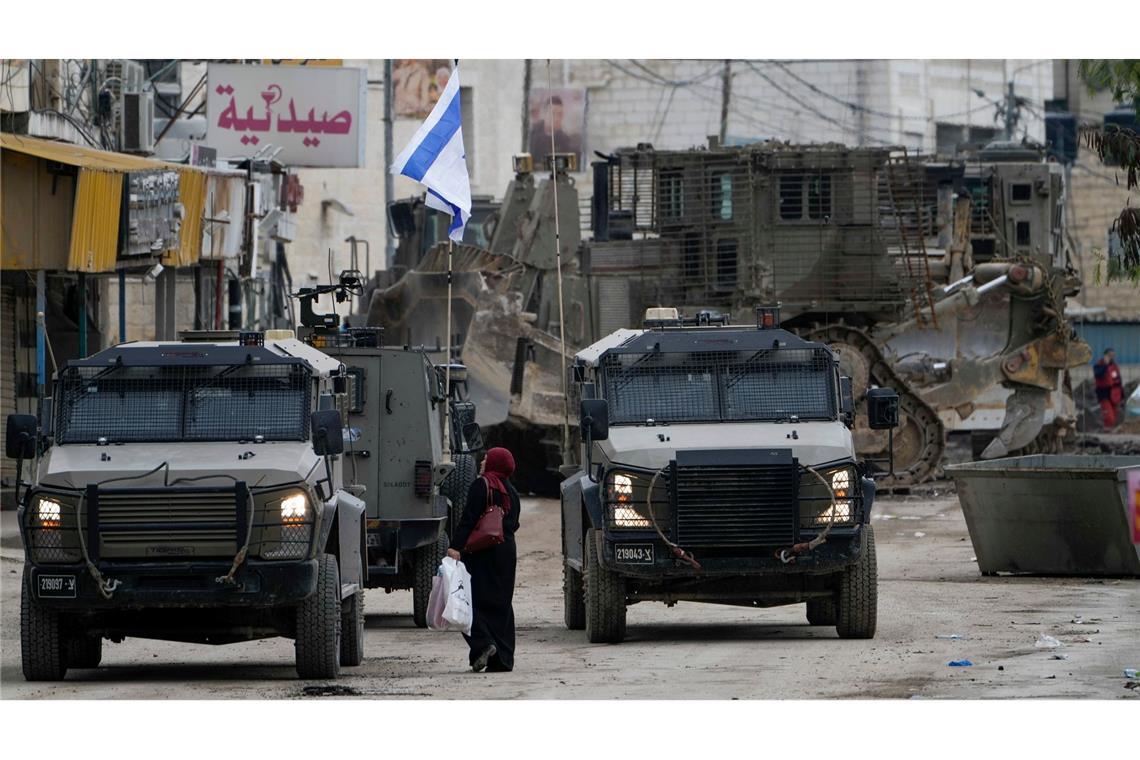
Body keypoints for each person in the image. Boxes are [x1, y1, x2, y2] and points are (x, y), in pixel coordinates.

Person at [447, 447, 521, 673]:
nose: (482, 462)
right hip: (506, 553)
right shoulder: (512, 492)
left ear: (495, 463)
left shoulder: (482, 485)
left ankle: (483, 645)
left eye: (487, 459)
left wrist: (455, 546)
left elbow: (468, 519)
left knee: (470, 601)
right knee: (501, 605)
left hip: (481, 552)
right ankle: (503, 659)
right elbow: (514, 524)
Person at [1093, 348, 1124, 429]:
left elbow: (1119, 380)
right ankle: (1108, 428)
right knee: (1108, 414)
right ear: (1105, 356)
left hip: (1115, 393)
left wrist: (1122, 395)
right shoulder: (1098, 365)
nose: (1111, 357)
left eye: (1113, 355)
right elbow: (1098, 374)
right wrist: (1105, 365)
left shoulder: (1115, 366)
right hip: (1104, 393)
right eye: (1109, 355)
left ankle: (1111, 429)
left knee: (1114, 413)